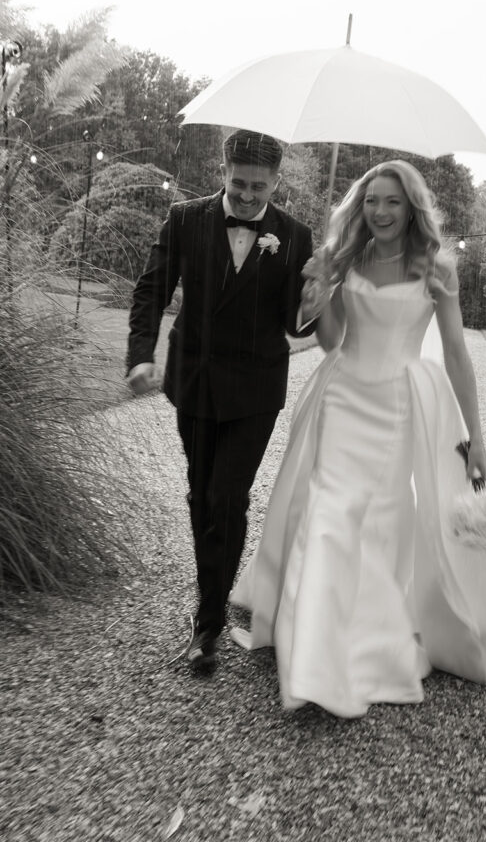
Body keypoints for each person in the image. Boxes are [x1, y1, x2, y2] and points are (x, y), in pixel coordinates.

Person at [230, 159, 486, 717]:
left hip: (396, 406)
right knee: (328, 513)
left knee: (380, 524)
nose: (381, 212)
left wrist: (478, 441)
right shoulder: (345, 256)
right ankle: (315, 656)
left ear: (411, 207)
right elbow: (330, 341)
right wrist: (317, 295)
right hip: (342, 397)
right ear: (360, 207)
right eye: (372, 201)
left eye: (393, 201)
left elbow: (459, 355)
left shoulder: (436, 267)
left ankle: (366, 641)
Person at [126, 130, 315, 671]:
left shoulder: (295, 236)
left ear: (276, 182)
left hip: (255, 390)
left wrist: (314, 302)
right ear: (223, 171)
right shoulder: (185, 218)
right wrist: (142, 353)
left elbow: (295, 322)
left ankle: (207, 623)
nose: (249, 195)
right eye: (239, 183)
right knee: (200, 495)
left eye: (260, 186)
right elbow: (151, 289)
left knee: (228, 498)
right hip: (196, 380)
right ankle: (213, 594)